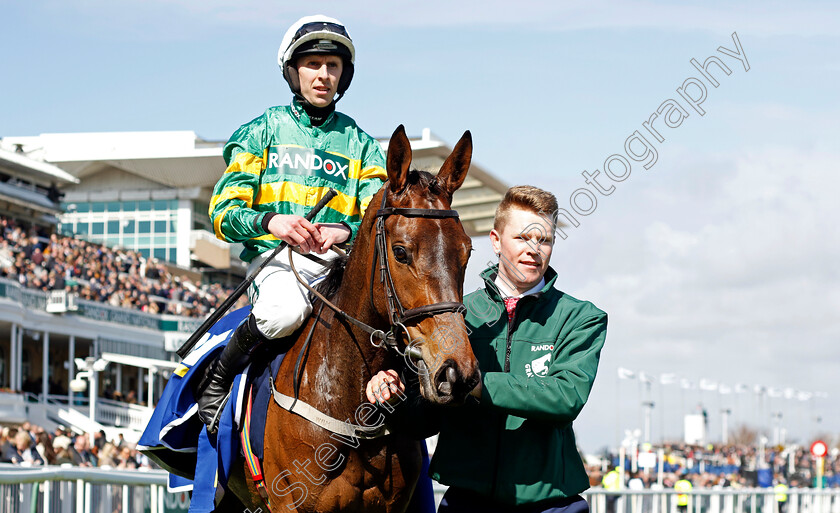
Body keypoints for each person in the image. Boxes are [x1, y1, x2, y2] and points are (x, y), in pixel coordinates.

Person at [197, 14, 387, 432]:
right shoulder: (260, 131)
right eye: (313, 64)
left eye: (332, 66)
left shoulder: (363, 146)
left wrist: (347, 231)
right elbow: (222, 214)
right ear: (292, 70)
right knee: (283, 313)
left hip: (340, 264)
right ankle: (218, 378)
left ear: (344, 75)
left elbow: (380, 222)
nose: (323, 75)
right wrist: (273, 221)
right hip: (277, 261)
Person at [367, 186, 608, 512]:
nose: (534, 249)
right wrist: (393, 396)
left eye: (545, 240)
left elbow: (566, 397)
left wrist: (477, 384)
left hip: (552, 504)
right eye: (523, 238)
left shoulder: (581, 318)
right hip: (466, 503)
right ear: (496, 241)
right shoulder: (453, 318)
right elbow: (425, 416)